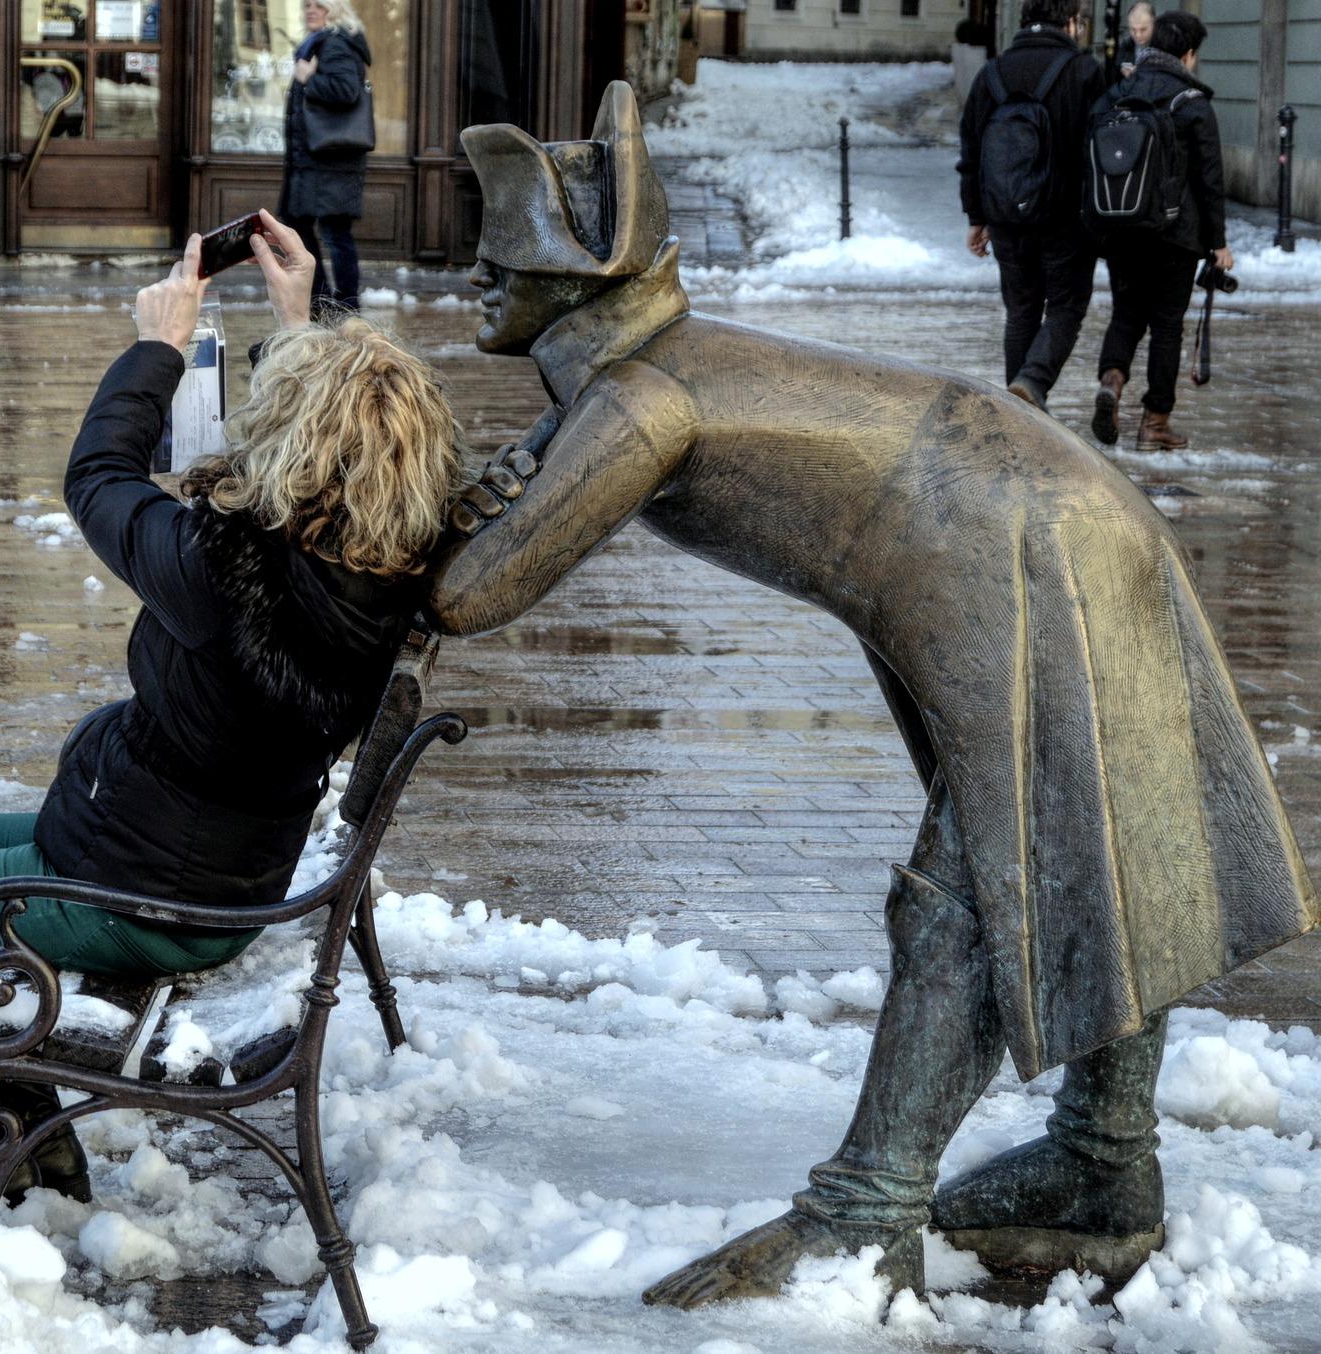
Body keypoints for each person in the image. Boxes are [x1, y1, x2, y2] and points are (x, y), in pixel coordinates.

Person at [431, 81, 1316, 1308]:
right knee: (1085, 841)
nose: (476, 271)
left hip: (1019, 538)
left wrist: (346, 520)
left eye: (504, 254)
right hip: (1027, 513)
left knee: (1007, 870)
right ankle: (1104, 1165)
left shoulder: (642, 396)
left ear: (578, 279)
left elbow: (471, 592)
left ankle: (868, 1212)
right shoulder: (640, 369)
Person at [0, 211, 467, 1201]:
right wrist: (297, 315)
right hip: (209, 860)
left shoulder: (223, 576)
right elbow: (327, 450)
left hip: (138, 889)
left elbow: (96, 479)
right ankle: (8, 1092)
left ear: (292, 447)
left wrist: (159, 346)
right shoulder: (370, 569)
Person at [1089, 11, 1231, 451]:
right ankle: (1154, 424)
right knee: (1167, 327)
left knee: (1126, 315)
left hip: (1121, 225)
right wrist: (1219, 243)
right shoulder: (1193, 104)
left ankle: (1111, 384)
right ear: (1188, 53)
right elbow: (1209, 180)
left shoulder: (1117, 93)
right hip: (1176, 235)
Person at [957, 0, 1105, 408]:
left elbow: (971, 149)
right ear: (1071, 22)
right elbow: (1099, 150)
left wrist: (977, 216)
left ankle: (1017, 415)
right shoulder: (1084, 72)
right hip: (1066, 219)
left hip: (1006, 217)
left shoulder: (991, 74)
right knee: (1066, 307)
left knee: (1021, 311)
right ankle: (1032, 382)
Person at [280, 0, 372, 314]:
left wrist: (309, 78)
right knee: (303, 226)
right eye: (306, 6)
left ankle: (342, 303)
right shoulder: (324, 43)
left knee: (333, 233)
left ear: (335, 10)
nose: (310, 11)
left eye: (318, 5)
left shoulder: (336, 45)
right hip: (320, 160)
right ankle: (324, 299)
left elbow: (346, 90)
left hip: (330, 161)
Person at [1118, 0, 1155, 77]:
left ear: (1154, 25)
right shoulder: (1124, 46)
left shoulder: (1164, 47)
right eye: (1133, 30)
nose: (1138, 35)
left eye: (1143, 29)